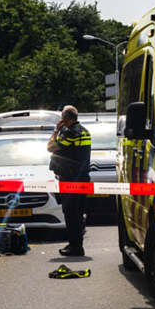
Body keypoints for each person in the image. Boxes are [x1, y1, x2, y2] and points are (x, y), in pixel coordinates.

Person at [47, 105, 91, 257]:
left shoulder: (71, 133)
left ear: (65, 118)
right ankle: (76, 243)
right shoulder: (84, 131)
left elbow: (51, 147)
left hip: (71, 179)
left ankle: (76, 246)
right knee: (77, 212)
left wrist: (56, 131)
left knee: (71, 212)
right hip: (81, 177)